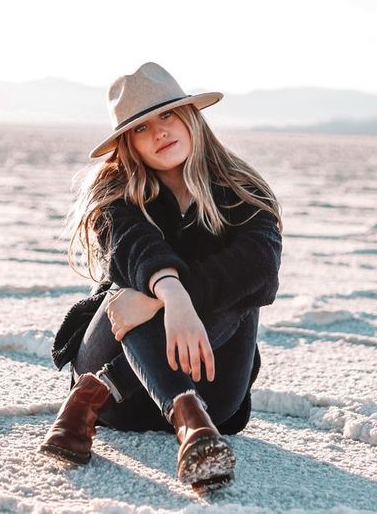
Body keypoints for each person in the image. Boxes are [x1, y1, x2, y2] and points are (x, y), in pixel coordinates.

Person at [40, 62, 283, 493]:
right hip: (124, 404)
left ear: (190, 116)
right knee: (129, 290)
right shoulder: (117, 193)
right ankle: (189, 423)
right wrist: (168, 292)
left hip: (213, 387)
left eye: (167, 114)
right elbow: (133, 246)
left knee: (239, 290)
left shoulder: (243, 190)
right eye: (140, 127)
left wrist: (173, 301)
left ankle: (95, 391)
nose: (159, 132)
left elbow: (260, 267)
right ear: (128, 143)